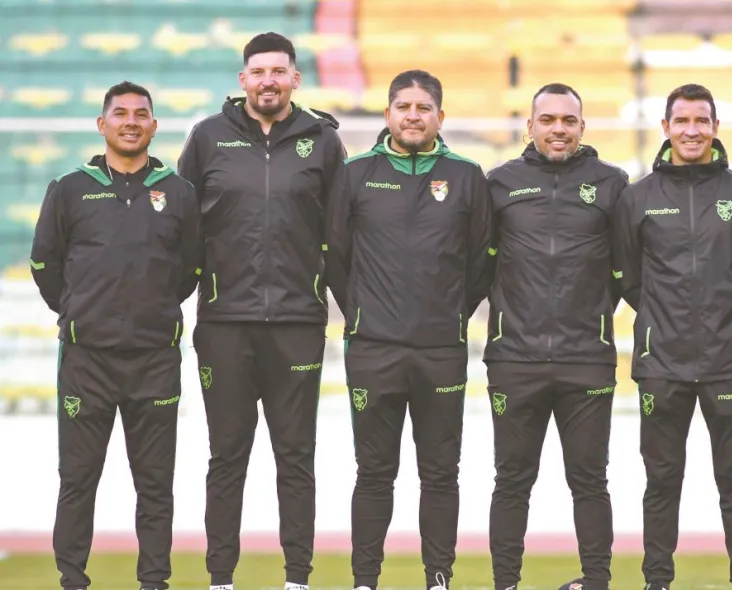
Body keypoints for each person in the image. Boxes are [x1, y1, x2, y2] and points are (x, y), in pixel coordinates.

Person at [176, 32, 348, 590]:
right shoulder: (206, 138)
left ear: (296, 79)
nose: (268, 80)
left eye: (279, 71)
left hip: (299, 323)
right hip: (224, 324)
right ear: (243, 79)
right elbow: (179, 228)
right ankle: (220, 579)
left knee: (296, 457)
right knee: (226, 457)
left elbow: (341, 236)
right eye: (258, 71)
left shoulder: (323, 141)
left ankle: (297, 578)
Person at [322, 69, 492, 590]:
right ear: (388, 114)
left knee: (440, 474)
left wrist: (449, 314)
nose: (413, 116)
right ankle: (364, 581)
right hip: (373, 348)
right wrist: (365, 315)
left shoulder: (466, 176)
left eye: (424, 107)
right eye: (404, 107)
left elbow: (482, 263)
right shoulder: (354, 174)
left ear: (440, 115)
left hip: (441, 348)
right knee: (374, 474)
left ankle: (438, 578)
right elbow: (336, 259)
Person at [30, 81, 201, 590]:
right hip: (88, 361)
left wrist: (149, 315)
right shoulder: (69, 189)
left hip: (155, 361)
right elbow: (45, 266)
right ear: (101, 125)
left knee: (154, 486)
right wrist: (81, 313)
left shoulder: (178, 192)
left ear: (153, 125)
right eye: (120, 113)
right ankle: (72, 581)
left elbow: (191, 270)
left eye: (140, 114)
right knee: (78, 480)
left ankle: (154, 582)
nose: (131, 121)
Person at [612, 83, 732, 590]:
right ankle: (657, 581)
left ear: (715, 127)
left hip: (730, 361)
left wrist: (721, 312)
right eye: (681, 121)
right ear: (665, 128)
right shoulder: (636, 197)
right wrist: (668, 318)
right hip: (661, 365)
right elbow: (627, 277)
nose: (691, 131)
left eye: (700, 121)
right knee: (662, 482)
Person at [481, 83, 628, 590]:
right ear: (531, 126)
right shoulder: (499, 183)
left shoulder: (613, 183)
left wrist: (591, 318)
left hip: (587, 358)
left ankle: (597, 581)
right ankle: (506, 583)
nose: (559, 129)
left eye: (569, 120)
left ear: (583, 127)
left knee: (590, 481)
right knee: (512, 481)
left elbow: (626, 270)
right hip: (513, 360)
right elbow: (480, 267)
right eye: (548, 120)